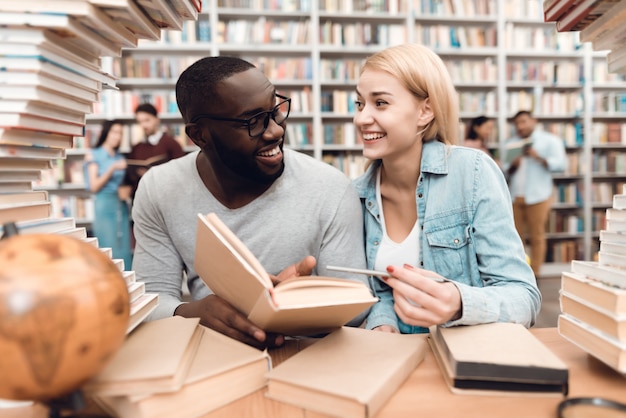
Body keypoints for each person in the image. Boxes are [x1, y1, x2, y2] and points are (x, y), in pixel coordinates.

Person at [131, 56, 371, 349]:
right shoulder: (159, 188)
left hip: (307, 361)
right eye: (252, 122)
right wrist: (192, 313)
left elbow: (358, 309)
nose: (275, 131)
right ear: (199, 135)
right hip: (211, 361)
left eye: (275, 111)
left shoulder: (330, 187)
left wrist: (297, 306)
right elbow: (150, 301)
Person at [351, 43, 541, 334]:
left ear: (425, 111)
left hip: (466, 365)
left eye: (380, 103)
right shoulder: (357, 196)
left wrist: (459, 302)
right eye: (359, 104)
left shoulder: (473, 173)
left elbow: (524, 298)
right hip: (397, 363)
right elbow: (382, 291)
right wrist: (383, 321)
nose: (361, 118)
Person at [503, 110, 567, 277]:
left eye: (524, 121)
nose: (520, 126)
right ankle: (518, 274)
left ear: (534, 120)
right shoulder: (511, 143)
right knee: (514, 237)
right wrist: (512, 165)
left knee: (537, 236)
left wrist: (539, 158)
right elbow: (502, 170)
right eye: (517, 123)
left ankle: (535, 274)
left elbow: (560, 165)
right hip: (514, 195)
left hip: (539, 195)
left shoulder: (550, 141)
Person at [84, 120, 133, 269]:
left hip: (120, 204)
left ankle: (128, 288)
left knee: (124, 248)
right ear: (106, 133)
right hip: (104, 205)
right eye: (114, 132)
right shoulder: (94, 155)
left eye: (120, 133)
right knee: (108, 247)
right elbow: (94, 186)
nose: (117, 136)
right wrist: (112, 168)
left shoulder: (119, 156)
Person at [124, 103, 186, 198]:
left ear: (157, 120)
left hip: (166, 196)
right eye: (140, 122)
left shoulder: (172, 144)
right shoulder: (136, 147)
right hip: (142, 196)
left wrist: (152, 176)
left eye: (147, 120)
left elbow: (181, 173)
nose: (144, 125)